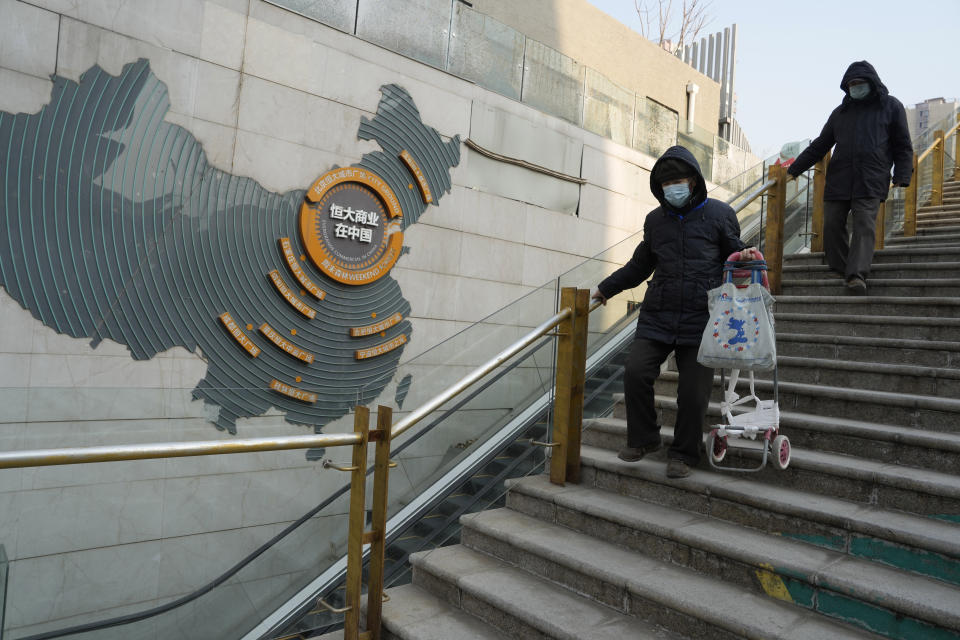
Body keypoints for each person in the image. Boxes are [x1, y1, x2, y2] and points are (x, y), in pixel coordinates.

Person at [592, 145, 754, 479]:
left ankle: (684, 453)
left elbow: (735, 252)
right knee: (636, 372)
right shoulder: (655, 220)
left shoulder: (720, 214)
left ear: (693, 182)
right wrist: (606, 288)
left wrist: (748, 254)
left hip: (702, 317)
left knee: (693, 393)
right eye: (666, 184)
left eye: (678, 181)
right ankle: (644, 439)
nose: (673, 189)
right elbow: (640, 265)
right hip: (658, 314)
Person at [786, 60, 913, 294]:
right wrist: (793, 170)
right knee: (832, 223)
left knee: (864, 225)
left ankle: (856, 275)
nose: (855, 87)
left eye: (859, 83)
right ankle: (841, 266)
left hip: (872, 178)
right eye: (851, 84)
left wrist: (902, 174)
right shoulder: (840, 113)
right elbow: (820, 145)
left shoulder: (891, 107)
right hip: (840, 179)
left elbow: (902, 145)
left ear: (872, 83)